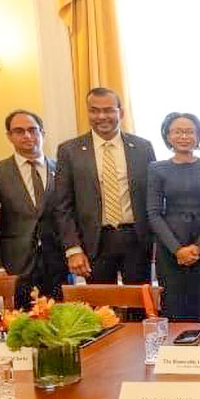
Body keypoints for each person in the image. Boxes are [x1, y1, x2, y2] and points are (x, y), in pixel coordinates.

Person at [53, 87, 155, 285]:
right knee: (101, 309)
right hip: (94, 242)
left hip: (136, 239)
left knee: (140, 305)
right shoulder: (69, 150)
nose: (101, 116)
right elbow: (62, 206)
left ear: (121, 112)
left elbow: (153, 197)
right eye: (94, 110)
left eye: (108, 110)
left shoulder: (143, 148)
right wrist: (73, 249)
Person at [146, 113, 200, 320]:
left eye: (189, 131)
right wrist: (177, 250)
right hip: (170, 251)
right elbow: (153, 213)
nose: (184, 136)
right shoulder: (157, 168)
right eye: (177, 131)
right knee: (174, 309)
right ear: (168, 135)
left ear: (198, 135)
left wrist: (198, 247)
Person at [0, 110, 68, 308]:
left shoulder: (62, 169)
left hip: (57, 261)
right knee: (21, 325)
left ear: (42, 133)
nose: (27, 136)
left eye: (33, 130)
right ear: (9, 136)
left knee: (61, 322)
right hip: (16, 262)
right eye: (19, 131)